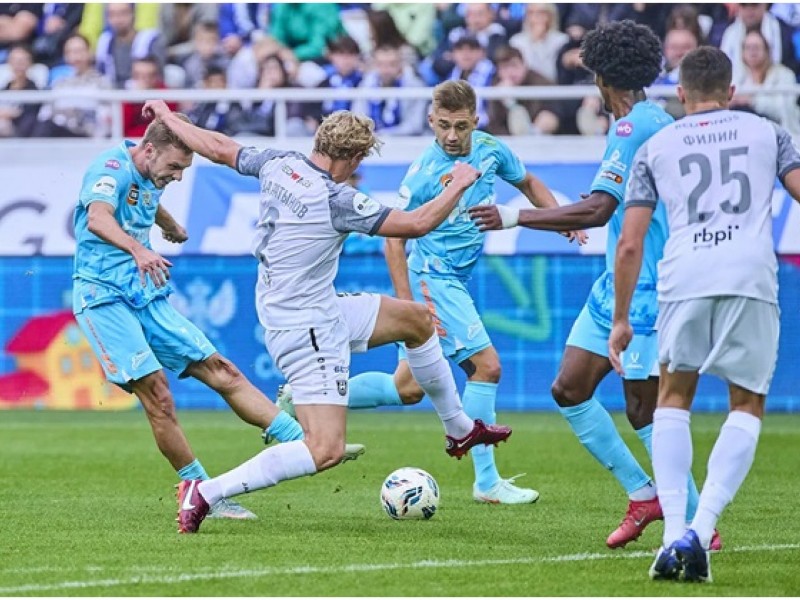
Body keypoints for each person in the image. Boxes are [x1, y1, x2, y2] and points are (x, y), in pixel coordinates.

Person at [138, 101, 515, 534]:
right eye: (358, 162)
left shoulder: (279, 163)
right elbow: (415, 224)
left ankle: (459, 429)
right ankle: (205, 492)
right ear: (352, 157)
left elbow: (219, 147)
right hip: (307, 327)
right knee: (325, 449)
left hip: (312, 305)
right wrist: (460, 183)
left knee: (416, 320)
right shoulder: (337, 199)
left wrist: (168, 117)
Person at [470, 21, 720, 551]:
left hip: (649, 290)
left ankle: (698, 522)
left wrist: (514, 217)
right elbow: (604, 202)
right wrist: (564, 215)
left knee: (643, 409)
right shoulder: (649, 120)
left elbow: (600, 209)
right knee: (570, 387)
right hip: (617, 285)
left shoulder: (634, 129)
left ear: (603, 77)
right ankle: (644, 495)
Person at [275, 80, 581, 505]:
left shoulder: (490, 149)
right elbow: (394, 238)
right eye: (443, 126)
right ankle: (487, 482)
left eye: (460, 126)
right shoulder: (423, 173)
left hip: (455, 277)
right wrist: (408, 305)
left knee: (407, 387)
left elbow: (528, 181)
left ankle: (300, 398)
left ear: (475, 121)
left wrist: (560, 218)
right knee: (487, 367)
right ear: (431, 121)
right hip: (433, 277)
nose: (451, 136)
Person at [609, 46, 800, 583]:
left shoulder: (657, 145)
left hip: (684, 275)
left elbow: (630, 243)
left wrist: (621, 319)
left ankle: (674, 534)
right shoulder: (768, 133)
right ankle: (702, 526)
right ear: (731, 91)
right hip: (749, 276)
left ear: (680, 94)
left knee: (673, 397)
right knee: (747, 402)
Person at [72, 113, 316, 522]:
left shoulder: (150, 171)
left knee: (221, 370)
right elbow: (98, 217)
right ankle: (202, 493)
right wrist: (139, 249)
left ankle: (306, 443)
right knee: (159, 395)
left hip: (144, 293)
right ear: (149, 150)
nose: (179, 176)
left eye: (184, 169)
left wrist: (169, 224)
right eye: (175, 166)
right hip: (103, 298)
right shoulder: (109, 168)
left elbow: (144, 197)